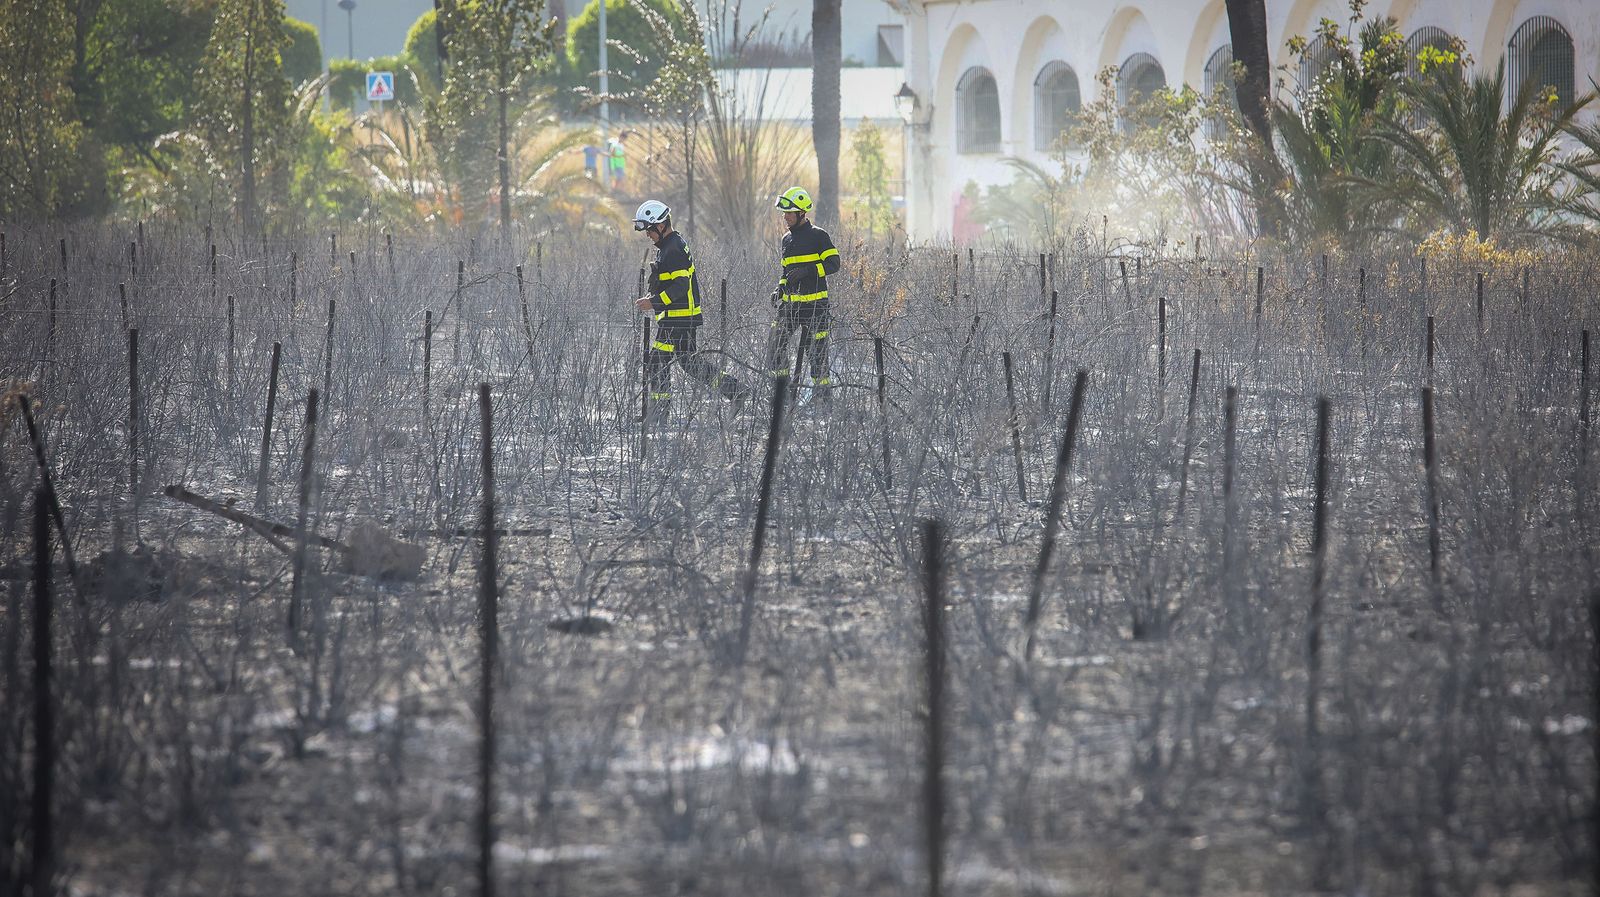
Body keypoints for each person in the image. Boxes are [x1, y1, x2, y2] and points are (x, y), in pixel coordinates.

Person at [633, 200, 748, 422]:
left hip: (678, 318)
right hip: (679, 317)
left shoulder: (673, 248)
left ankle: (659, 413)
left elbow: (680, 286)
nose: (647, 234)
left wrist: (654, 303)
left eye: (649, 229)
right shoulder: (668, 246)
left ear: (661, 225)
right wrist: (653, 297)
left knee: (657, 361)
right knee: (689, 364)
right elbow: (671, 283)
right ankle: (735, 391)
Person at [766, 186, 840, 405]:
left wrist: (809, 270)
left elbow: (834, 264)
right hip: (790, 308)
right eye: (784, 212)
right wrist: (779, 288)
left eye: (789, 212)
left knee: (817, 356)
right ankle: (784, 396)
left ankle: (822, 401)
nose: (785, 217)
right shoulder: (786, 240)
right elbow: (785, 271)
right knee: (775, 346)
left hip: (816, 308)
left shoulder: (819, 236)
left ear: (801, 213)